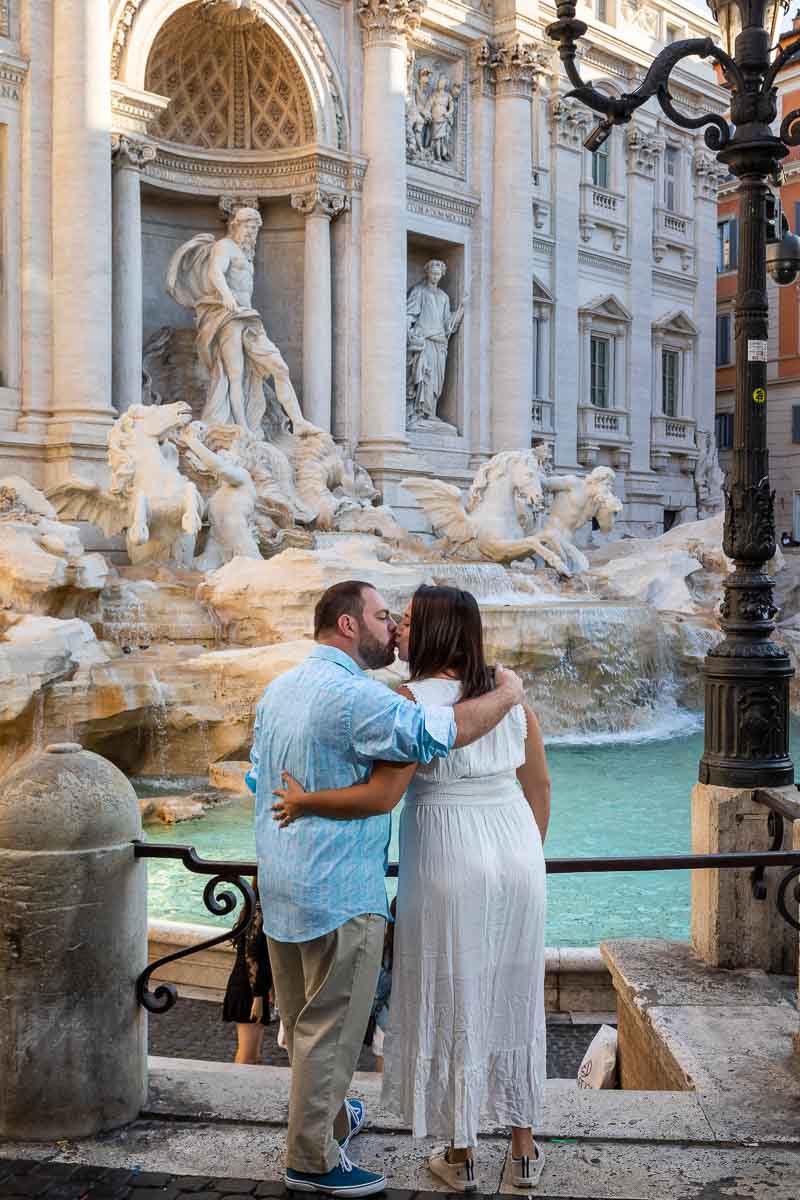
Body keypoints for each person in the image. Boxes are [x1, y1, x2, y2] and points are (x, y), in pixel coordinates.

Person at [251, 579, 526, 1198]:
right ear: (349, 626)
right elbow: (436, 736)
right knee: (332, 1028)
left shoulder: (279, 689)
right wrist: (509, 692)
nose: (393, 628)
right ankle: (312, 1160)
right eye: (383, 617)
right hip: (341, 890)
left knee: (301, 1023)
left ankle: (332, 1117)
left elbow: (256, 778)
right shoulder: (358, 698)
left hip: (283, 883)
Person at [222, 879, 273, 1065]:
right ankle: (235, 1090)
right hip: (248, 989)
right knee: (248, 1056)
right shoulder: (258, 912)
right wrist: (258, 996)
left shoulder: (255, 909)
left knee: (253, 1056)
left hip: (250, 987)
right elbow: (251, 956)